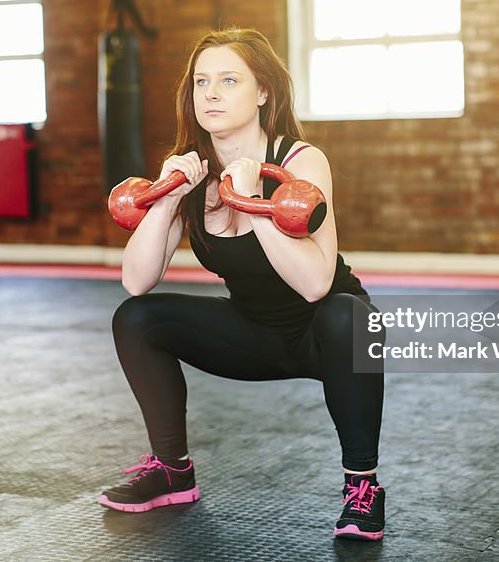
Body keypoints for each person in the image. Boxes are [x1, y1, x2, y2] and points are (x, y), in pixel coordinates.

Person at [99, 28, 386, 541]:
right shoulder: (190, 171)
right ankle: (172, 470)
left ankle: (361, 487)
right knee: (137, 318)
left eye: (229, 80)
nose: (210, 93)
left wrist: (251, 202)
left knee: (350, 314)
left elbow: (317, 284)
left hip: (326, 337)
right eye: (201, 81)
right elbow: (135, 282)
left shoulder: (300, 162)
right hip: (253, 335)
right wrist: (166, 199)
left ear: (262, 92)